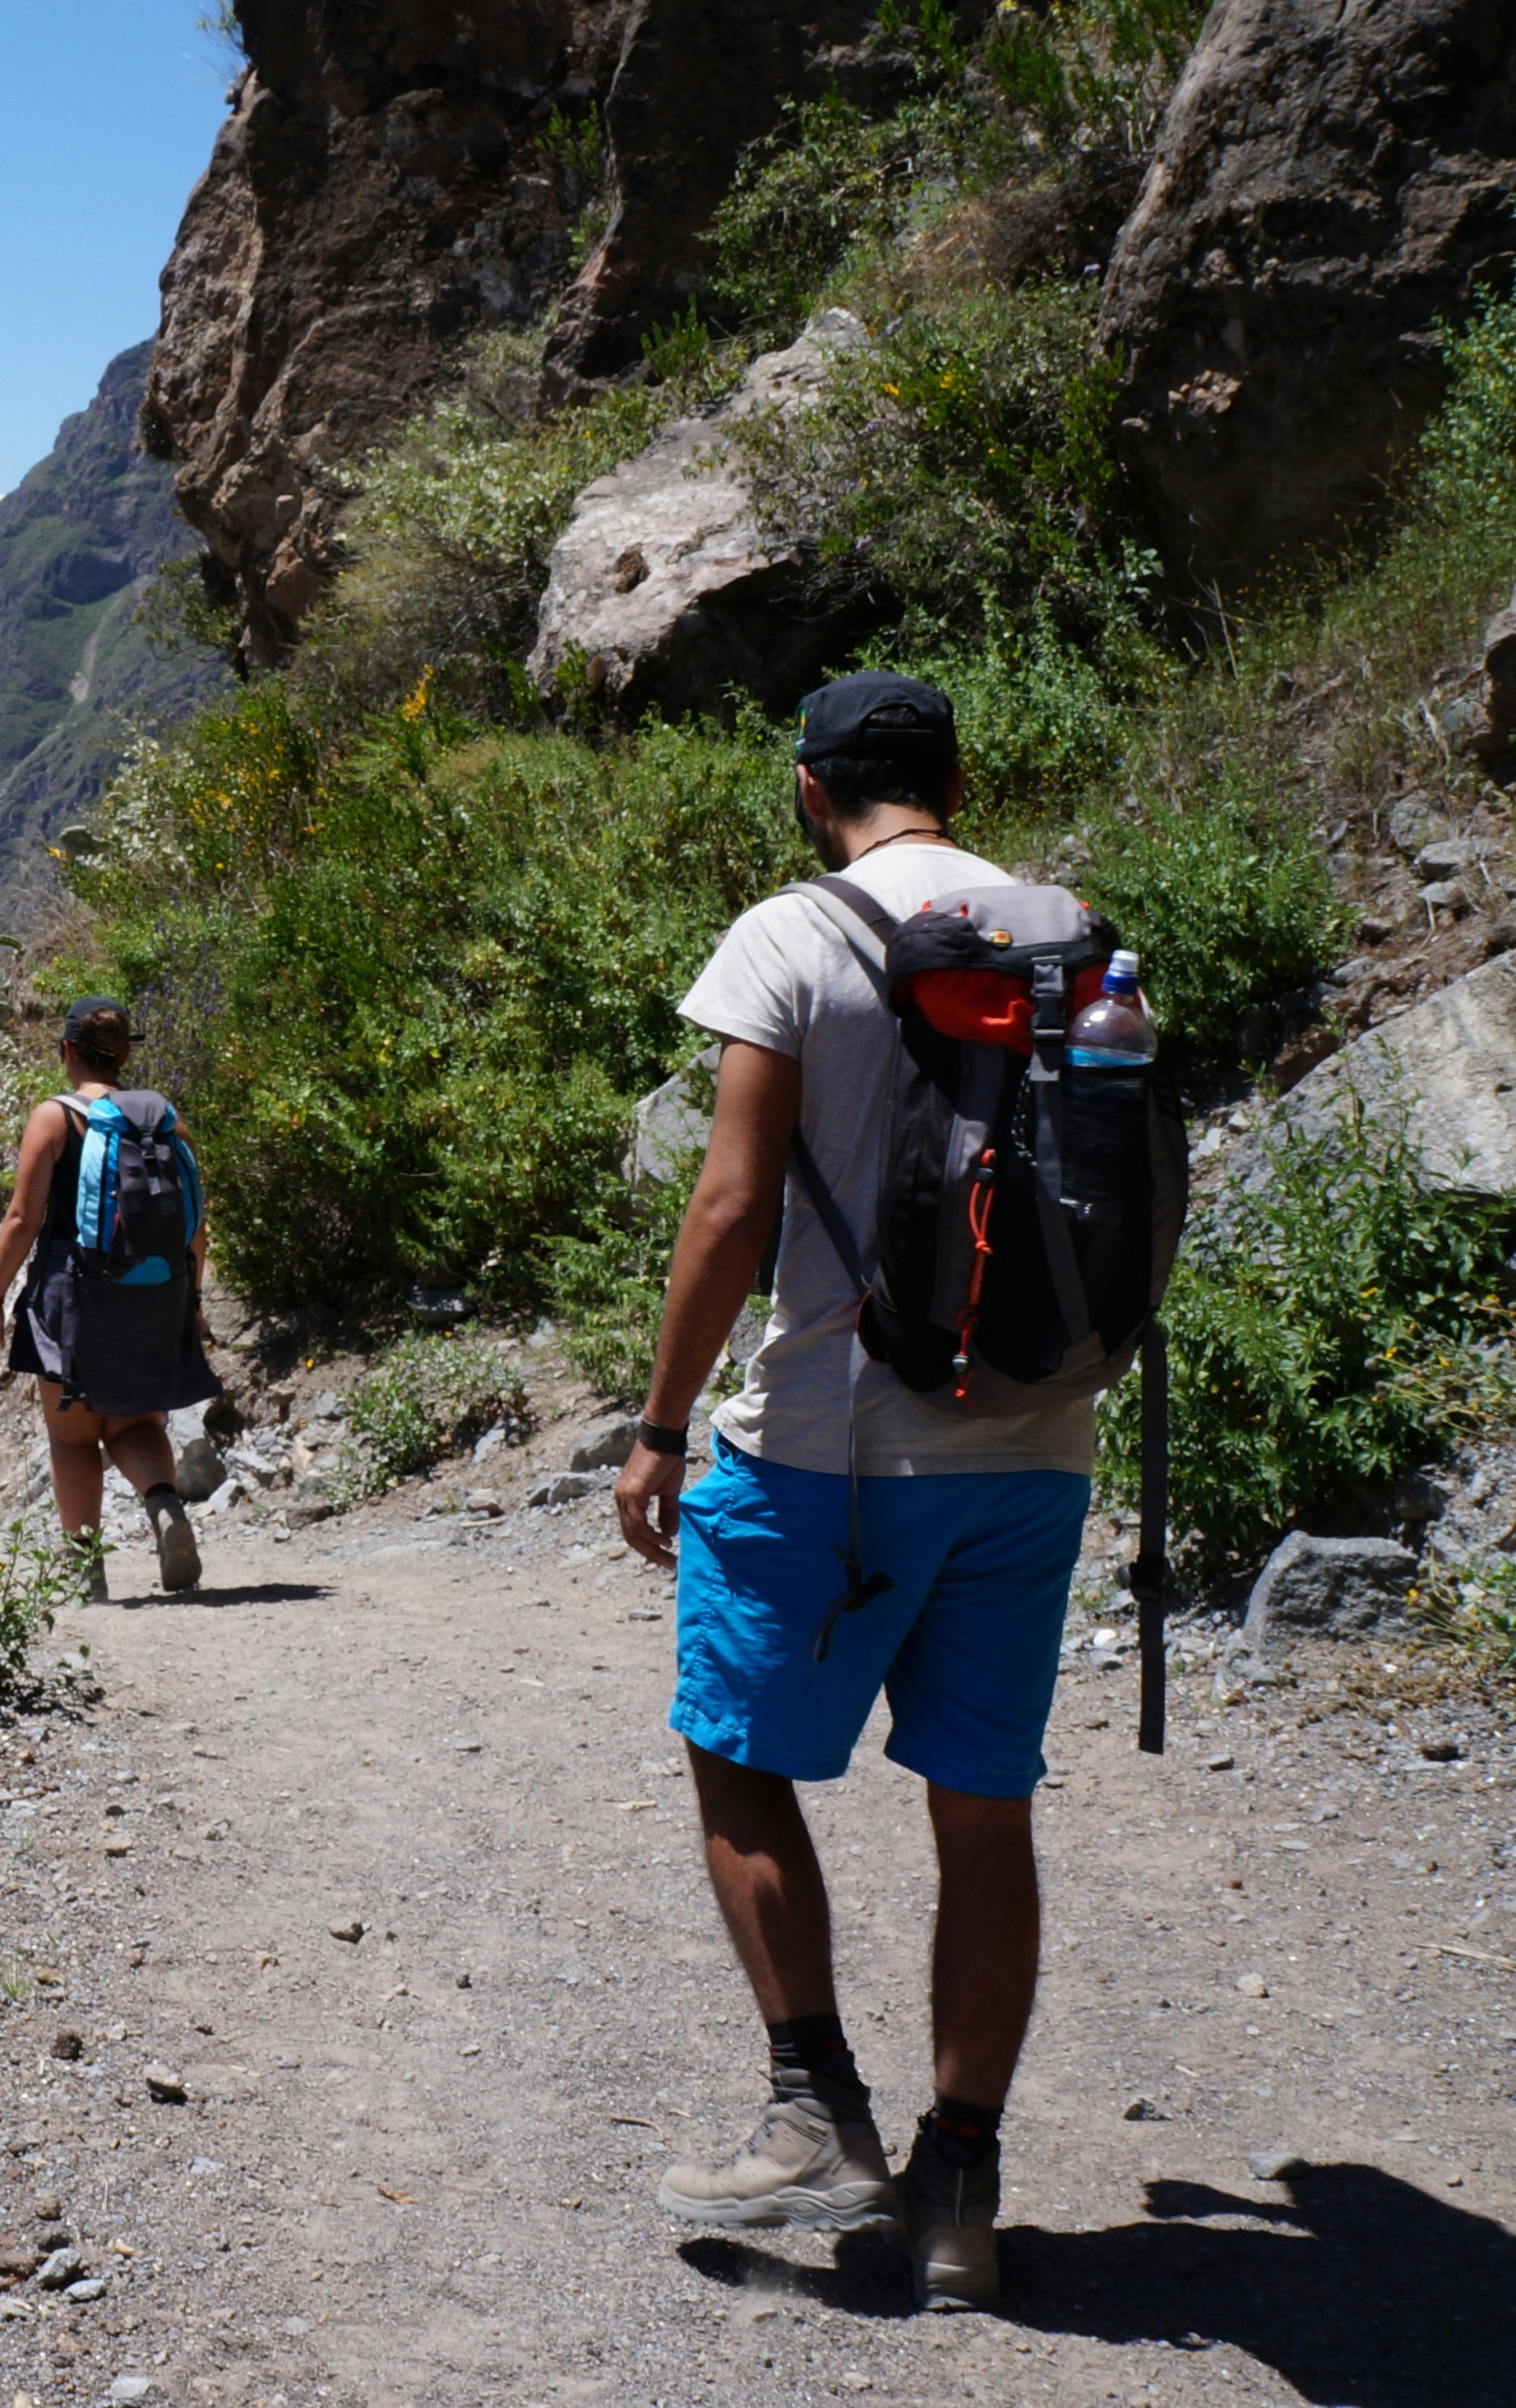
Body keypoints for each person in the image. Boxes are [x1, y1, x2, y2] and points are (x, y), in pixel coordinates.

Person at [612, 670, 1093, 2313]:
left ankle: (813, 2100)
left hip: (823, 1445)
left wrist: (663, 1421)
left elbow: (729, 1202)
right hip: (1034, 1444)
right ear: (956, 777)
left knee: (736, 1763)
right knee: (985, 1812)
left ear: (814, 788)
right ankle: (958, 2189)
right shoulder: (1066, 925)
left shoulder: (790, 930)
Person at [0, 996, 215, 1597]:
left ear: (67, 1050)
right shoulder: (163, 1119)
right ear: (127, 1053)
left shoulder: (54, 1118)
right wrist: (190, 1299)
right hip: (157, 1290)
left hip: (72, 1294)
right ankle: (164, 1506)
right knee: (133, 1421)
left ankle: (86, 1569)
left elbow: (23, 1219)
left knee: (72, 1436)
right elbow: (197, 1226)